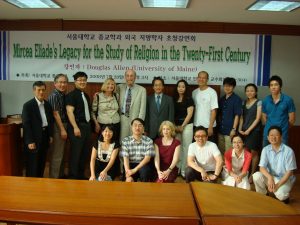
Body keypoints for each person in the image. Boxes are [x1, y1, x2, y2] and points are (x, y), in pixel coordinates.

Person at [253, 126, 297, 203]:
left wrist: (278, 185)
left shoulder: (288, 151)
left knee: (281, 195)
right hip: (272, 177)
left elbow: (289, 172)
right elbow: (262, 167)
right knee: (256, 176)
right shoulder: (265, 149)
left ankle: (283, 196)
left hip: (284, 179)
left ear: (281, 136)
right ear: (268, 137)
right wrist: (270, 178)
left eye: (276, 135)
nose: (273, 137)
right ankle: (263, 195)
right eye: (271, 135)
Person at [22, 81, 54, 177]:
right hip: (34, 138)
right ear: (34, 91)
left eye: (43, 90)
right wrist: (30, 141)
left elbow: (50, 122)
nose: (41, 92)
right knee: (33, 164)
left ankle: (40, 182)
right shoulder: (28, 105)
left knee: (42, 162)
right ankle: (31, 185)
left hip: (44, 137)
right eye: (38, 90)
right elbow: (26, 125)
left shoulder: (48, 105)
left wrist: (50, 135)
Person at [66, 71, 91, 179]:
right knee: (76, 153)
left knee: (84, 153)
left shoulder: (85, 95)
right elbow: (69, 112)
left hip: (87, 127)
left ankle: (81, 175)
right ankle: (73, 176)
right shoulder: (71, 95)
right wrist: (75, 127)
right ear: (75, 82)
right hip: (77, 127)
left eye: (84, 80)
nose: (82, 82)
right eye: (80, 80)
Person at [262, 75, 296, 146]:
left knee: (282, 156)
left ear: (280, 86)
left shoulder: (288, 100)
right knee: (267, 155)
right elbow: (264, 117)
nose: (273, 87)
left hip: (282, 134)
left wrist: (284, 126)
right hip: (268, 134)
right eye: (271, 85)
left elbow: (292, 120)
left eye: (276, 85)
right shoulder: (266, 100)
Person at [238, 83, 262, 183]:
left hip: (254, 131)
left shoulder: (259, 102)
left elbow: (258, 118)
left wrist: (249, 130)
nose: (249, 92)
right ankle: (245, 172)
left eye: (252, 90)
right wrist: (240, 129)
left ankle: (252, 174)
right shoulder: (243, 103)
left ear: (255, 92)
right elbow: (242, 117)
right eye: (247, 90)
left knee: (254, 153)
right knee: (246, 153)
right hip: (243, 131)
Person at [121, 118, 155, 182]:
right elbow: (125, 159)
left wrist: (134, 170)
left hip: (143, 164)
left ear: (143, 128)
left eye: (140, 125)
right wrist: (128, 174)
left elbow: (147, 159)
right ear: (131, 127)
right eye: (135, 125)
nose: (137, 128)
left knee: (145, 172)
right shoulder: (125, 141)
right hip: (130, 164)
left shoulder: (149, 141)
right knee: (128, 181)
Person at [117, 69, 147, 142]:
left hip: (135, 120)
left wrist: (139, 124)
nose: (129, 78)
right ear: (125, 77)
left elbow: (142, 109)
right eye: (127, 76)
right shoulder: (119, 87)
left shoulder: (142, 90)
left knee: (135, 141)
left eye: (131, 76)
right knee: (122, 142)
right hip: (122, 119)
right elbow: (108, 93)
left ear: (135, 77)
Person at [48, 73, 68, 178]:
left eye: (64, 82)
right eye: (60, 82)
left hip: (64, 125)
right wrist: (62, 129)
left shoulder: (62, 95)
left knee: (63, 153)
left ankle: (60, 176)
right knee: (57, 154)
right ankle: (54, 178)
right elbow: (55, 114)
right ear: (55, 84)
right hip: (58, 126)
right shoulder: (54, 95)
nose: (62, 84)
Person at [173, 79, 194, 178]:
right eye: (179, 86)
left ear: (186, 88)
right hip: (176, 127)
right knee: (178, 148)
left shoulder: (189, 99)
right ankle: (177, 168)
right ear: (177, 88)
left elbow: (190, 114)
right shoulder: (174, 99)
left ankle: (184, 170)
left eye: (183, 86)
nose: (181, 88)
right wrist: (175, 126)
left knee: (186, 147)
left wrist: (182, 126)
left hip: (187, 126)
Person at [91, 77, 120, 141]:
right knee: (102, 144)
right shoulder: (98, 96)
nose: (110, 86)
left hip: (116, 124)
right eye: (108, 84)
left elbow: (118, 109)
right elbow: (93, 112)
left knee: (114, 144)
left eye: (112, 84)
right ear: (104, 85)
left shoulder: (116, 96)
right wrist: (96, 124)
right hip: (102, 125)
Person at [218, 77, 242, 154]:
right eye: (225, 86)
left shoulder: (237, 99)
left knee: (229, 152)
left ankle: (229, 166)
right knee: (221, 151)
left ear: (233, 87)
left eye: (229, 86)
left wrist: (234, 129)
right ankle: (222, 166)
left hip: (230, 131)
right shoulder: (222, 99)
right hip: (220, 130)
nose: (227, 88)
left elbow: (237, 115)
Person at [192, 71, 218, 143]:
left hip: (208, 126)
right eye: (200, 77)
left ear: (207, 79)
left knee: (209, 149)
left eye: (204, 78)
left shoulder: (212, 92)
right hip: (196, 125)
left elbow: (214, 110)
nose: (201, 79)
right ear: (197, 79)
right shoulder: (194, 92)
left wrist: (210, 126)